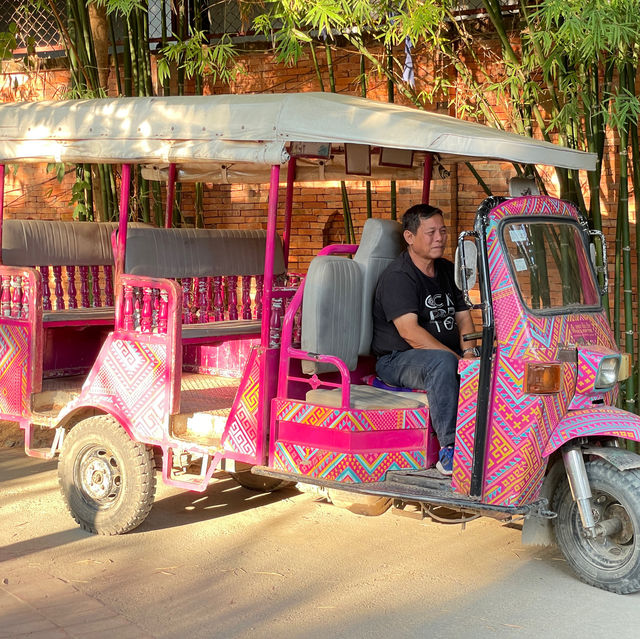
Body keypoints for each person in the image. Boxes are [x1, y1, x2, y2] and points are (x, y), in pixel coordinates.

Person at [371, 203, 477, 476]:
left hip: (444, 355)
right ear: (409, 237)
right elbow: (410, 332)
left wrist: (469, 355)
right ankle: (451, 449)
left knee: (493, 356)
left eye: (442, 231)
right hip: (397, 359)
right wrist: (456, 359)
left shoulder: (446, 270)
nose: (439, 238)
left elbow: (464, 318)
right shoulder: (399, 276)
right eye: (431, 232)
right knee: (441, 363)